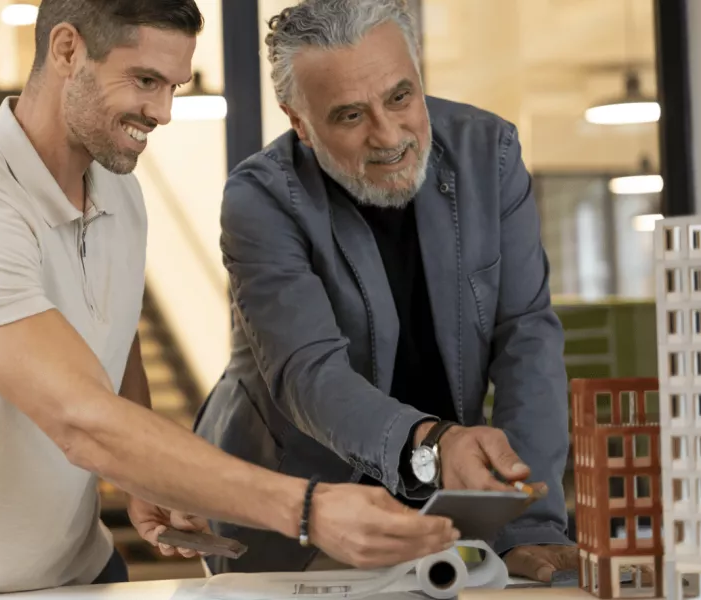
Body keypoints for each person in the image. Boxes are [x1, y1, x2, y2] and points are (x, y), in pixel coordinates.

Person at [0, 1, 461, 598]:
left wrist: (142, 479)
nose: (163, 111)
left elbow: (114, 330)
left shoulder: (118, 190)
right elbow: (80, 418)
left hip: (78, 569)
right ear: (67, 50)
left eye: (173, 86)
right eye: (145, 80)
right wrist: (307, 509)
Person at [194, 0, 578, 582]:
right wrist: (432, 446)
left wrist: (531, 523)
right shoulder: (260, 199)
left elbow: (527, 339)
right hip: (298, 517)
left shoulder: (490, 153)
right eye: (350, 115)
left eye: (400, 97)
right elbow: (309, 373)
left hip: (450, 507)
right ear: (299, 122)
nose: (389, 135)